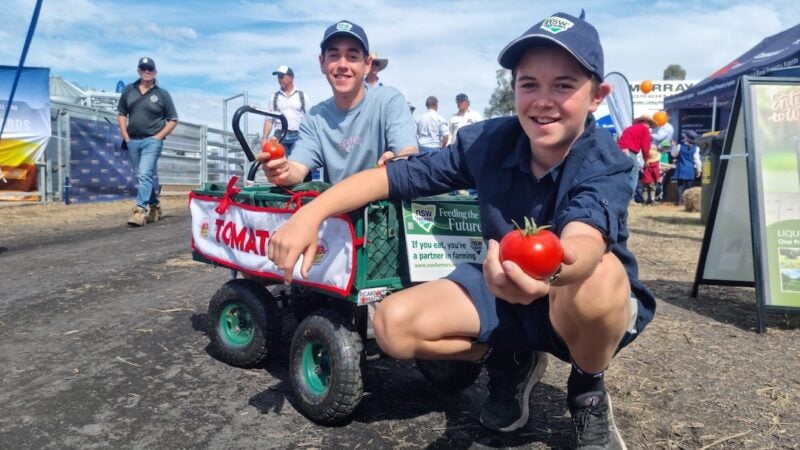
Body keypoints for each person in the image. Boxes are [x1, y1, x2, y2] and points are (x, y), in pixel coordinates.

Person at [266, 11, 654, 449]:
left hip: (570, 294)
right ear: (514, 90)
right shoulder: (487, 142)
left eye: (564, 85)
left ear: (596, 96)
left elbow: (583, 240)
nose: (543, 100)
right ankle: (511, 360)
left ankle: (587, 387)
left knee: (599, 276)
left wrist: (549, 273)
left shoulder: (607, 159)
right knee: (394, 325)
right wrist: (310, 214)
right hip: (499, 280)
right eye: (530, 84)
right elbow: (394, 178)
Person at [257, 20, 417, 186]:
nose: (342, 65)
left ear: (367, 64)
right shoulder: (314, 118)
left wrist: (400, 161)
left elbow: (408, 150)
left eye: (352, 57)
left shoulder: (389, 101)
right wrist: (282, 171)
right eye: (334, 56)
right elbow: (297, 167)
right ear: (322, 63)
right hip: (339, 210)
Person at [117, 56, 178, 227]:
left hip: (152, 141)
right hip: (133, 140)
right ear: (138, 71)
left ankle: (139, 211)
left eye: (150, 69)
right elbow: (122, 113)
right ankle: (155, 206)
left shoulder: (162, 94)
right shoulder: (129, 90)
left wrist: (158, 136)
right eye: (143, 69)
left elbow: (173, 119)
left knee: (144, 174)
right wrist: (125, 136)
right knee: (143, 176)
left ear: (155, 72)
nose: (147, 72)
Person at [262, 65, 309, 155]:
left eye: (282, 76)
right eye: (278, 77)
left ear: (291, 77)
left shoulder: (302, 96)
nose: (279, 79)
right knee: (280, 165)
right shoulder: (274, 97)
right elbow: (269, 119)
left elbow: (308, 118)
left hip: (298, 135)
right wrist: (264, 138)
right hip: (279, 136)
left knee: (296, 164)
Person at [617, 115, 656, 200]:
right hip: (630, 153)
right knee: (633, 176)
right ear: (647, 123)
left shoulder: (629, 128)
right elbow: (645, 146)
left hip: (619, 152)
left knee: (623, 175)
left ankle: (619, 196)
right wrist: (646, 159)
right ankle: (629, 198)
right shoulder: (645, 129)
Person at [671, 130, 702, 205]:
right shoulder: (696, 148)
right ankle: (688, 202)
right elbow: (697, 160)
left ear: (687, 138)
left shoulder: (679, 146)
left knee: (680, 185)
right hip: (690, 169)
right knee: (689, 186)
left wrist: (674, 146)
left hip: (681, 168)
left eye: (685, 136)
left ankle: (678, 201)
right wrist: (699, 170)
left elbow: (673, 155)